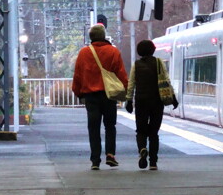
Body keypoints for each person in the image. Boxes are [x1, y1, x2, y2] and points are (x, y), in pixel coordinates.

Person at [72, 24, 128, 170]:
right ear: (104, 36)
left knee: (93, 127)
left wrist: (78, 92)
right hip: (109, 95)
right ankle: (110, 154)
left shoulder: (84, 53)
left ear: (91, 37)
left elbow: (78, 74)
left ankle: (95, 160)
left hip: (91, 96)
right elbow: (121, 73)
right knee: (110, 126)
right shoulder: (113, 51)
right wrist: (127, 91)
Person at [124, 39, 177, 170]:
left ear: (139, 51)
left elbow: (131, 84)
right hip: (157, 101)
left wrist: (129, 100)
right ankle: (153, 162)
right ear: (153, 50)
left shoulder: (136, 65)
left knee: (141, 130)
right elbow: (166, 80)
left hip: (141, 102)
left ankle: (142, 148)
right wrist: (173, 97)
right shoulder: (159, 63)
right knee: (154, 132)